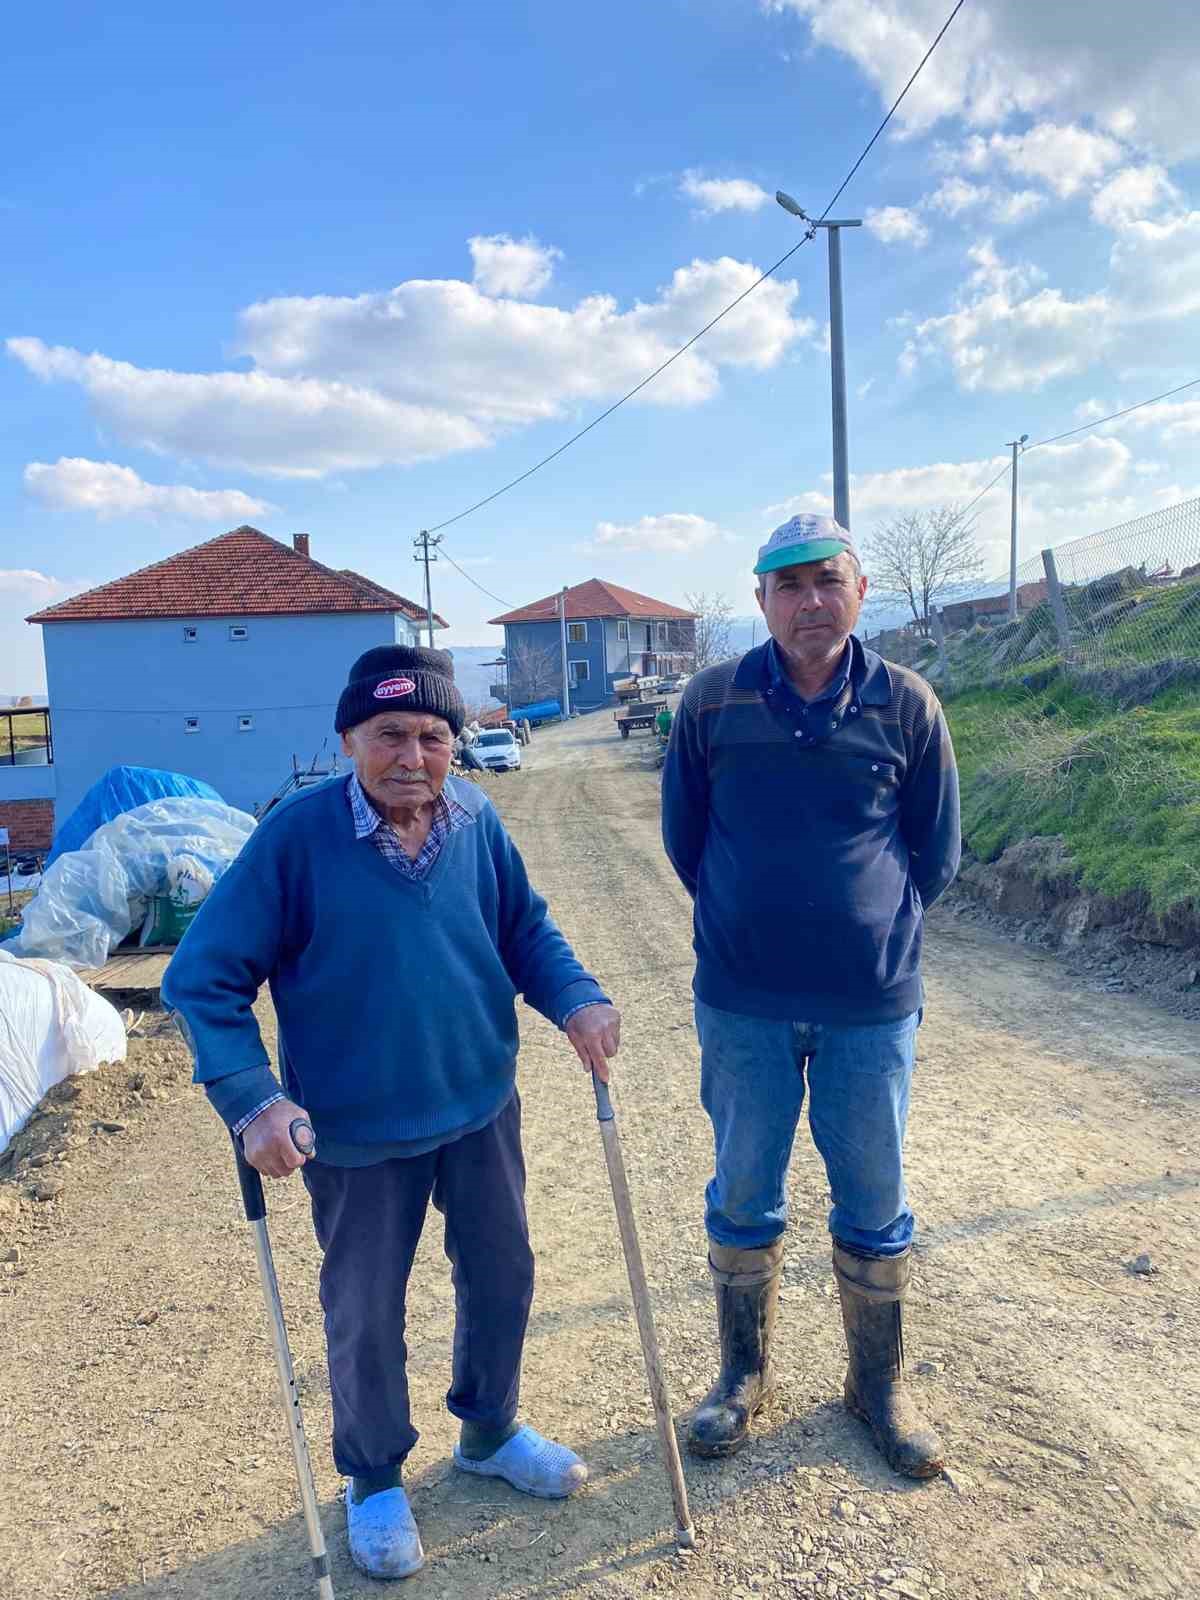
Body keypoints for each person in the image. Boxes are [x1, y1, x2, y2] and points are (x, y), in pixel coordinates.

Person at [164, 645, 621, 1581]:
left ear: (456, 742)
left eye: (432, 736)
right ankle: (373, 1479)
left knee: (502, 1274)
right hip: (356, 1129)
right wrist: (253, 1098)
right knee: (364, 1310)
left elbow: (522, 926)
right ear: (348, 741)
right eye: (389, 735)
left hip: (480, 1101)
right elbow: (200, 979)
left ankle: (488, 1433)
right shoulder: (295, 838)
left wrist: (574, 996)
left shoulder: (477, 818)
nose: (412, 756)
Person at [661, 514, 960, 1478]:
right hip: (742, 1002)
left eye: (827, 580)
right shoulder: (710, 704)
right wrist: (750, 919)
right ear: (760, 602)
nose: (810, 601)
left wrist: (868, 927)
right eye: (788, 585)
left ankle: (877, 1388)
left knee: (875, 1200)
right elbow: (685, 842)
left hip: (869, 1007)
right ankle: (741, 1377)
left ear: (860, 591)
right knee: (743, 1191)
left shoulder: (908, 704)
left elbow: (936, 851)